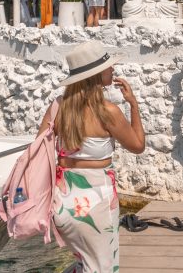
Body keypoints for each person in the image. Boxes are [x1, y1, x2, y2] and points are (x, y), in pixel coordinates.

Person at [36, 41, 145, 273]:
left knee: (83, 265)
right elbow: (138, 145)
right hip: (96, 203)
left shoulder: (57, 106)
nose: (112, 70)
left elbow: (38, 147)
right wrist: (133, 105)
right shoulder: (107, 111)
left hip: (62, 205)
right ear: (95, 75)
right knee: (103, 269)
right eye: (108, 67)